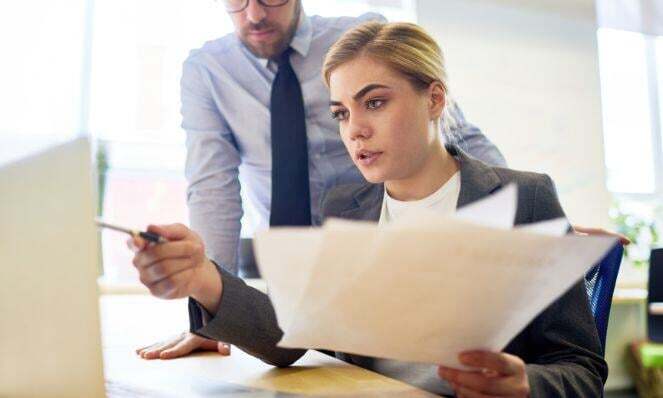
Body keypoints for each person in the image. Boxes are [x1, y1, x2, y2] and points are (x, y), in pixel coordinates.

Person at [129, 21, 608, 397]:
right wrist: (201, 278)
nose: (354, 130)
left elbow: (582, 370)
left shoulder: (525, 198)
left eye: (374, 102)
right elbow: (291, 335)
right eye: (341, 112)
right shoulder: (345, 208)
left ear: (434, 99)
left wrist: (526, 385)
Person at [136, 0, 506, 360]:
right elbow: (212, 186)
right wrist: (209, 315)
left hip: (379, 247)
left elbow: (455, 133)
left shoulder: (360, 42)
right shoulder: (208, 71)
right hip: (297, 270)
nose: (254, 14)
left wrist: (517, 213)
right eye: (340, 114)